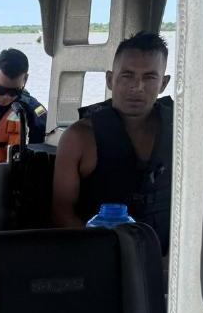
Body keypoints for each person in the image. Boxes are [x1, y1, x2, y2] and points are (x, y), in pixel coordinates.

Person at [52, 31, 174, 254]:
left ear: (164, 83)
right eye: (127, 76)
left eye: (149, 77)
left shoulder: (181, 132)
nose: (137, 87)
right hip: (100, 258)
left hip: (171, 261)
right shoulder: (79, 138)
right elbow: (62, 213)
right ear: (110, 79)